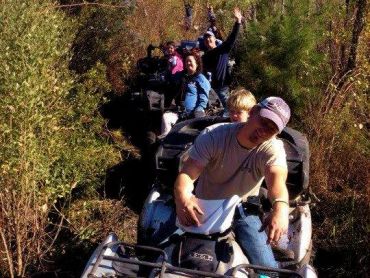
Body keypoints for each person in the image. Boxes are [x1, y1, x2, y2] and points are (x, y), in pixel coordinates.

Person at [174, 97, 291, 272]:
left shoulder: (272, 149)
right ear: (252, 113)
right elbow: (187, 175)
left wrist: (281, 208)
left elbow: (277, 181)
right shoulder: (214, 135)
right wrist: (183, 196)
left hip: (242, 209)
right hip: (204, 205)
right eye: (263, 121)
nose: (264, 131)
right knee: (159, 253)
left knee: (267, 269)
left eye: (271, 129)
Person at [202, 7, 243, 115]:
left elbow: (232, 38)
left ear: (215, 39)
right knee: (221, 109)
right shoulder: (205, 56)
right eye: (205, 39)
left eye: (209, 37)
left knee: (230, 109)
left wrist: (238, 22)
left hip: (223, 87)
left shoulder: (222, 50)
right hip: (212, 88)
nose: (207, 39)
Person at [160, 52, 211, 137]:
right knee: (166, 117)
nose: (188, 63)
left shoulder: (200, 78)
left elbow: (204, 98)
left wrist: (198, 111)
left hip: (194, 113)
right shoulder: (182, 76)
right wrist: (168, 66)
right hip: (180, 112)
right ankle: (165, 141)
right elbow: (171, 77)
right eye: (186, 61)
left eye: (190, 61)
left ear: (197, 64)